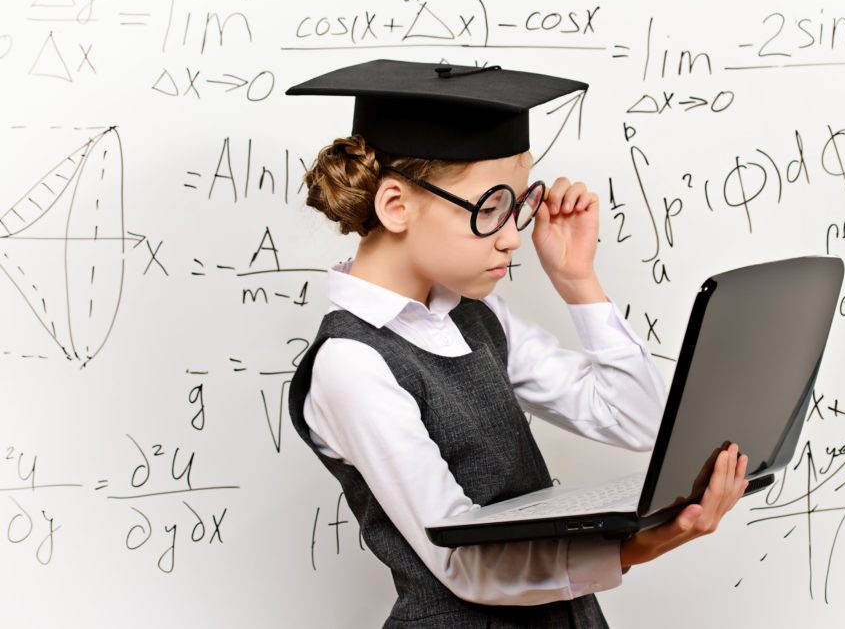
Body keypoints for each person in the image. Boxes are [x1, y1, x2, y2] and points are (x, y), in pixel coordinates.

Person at [285, 59, 750, 628]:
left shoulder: (476, 317)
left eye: (519, 203)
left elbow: (643, 423)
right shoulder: (352, 364)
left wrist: (578, 281)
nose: (512, 237)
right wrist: (637, 548)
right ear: (395, 206)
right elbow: (462, 561)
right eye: (490, 209)